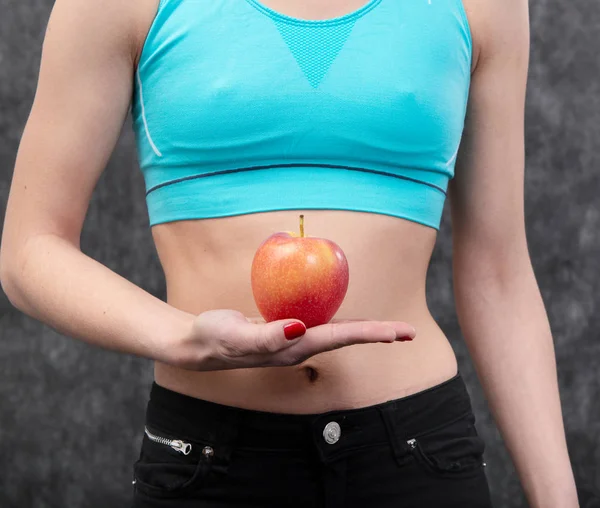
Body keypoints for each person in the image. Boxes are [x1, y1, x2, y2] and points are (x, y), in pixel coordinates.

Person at [0, 0, 580, 507]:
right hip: (209, 457)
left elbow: (498, 275)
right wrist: (186, 338)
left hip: (419, 451)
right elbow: (29, 249)